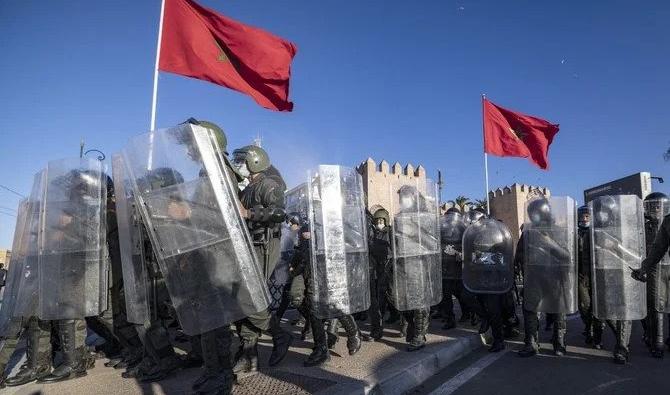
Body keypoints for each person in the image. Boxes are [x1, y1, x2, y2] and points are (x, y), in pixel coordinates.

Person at [231, 145, 293, 373]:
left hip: (265, 245)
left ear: (255, 162)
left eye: (243, 161)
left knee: (248, 297)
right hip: (250, 245)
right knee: (244, 299)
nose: (240, 165)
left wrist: (248, 213)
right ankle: (249, 354)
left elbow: (279, 213)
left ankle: (280, 335)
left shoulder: (268, 185)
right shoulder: (249, 188)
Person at [518, 197, 575, 358]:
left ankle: (559, 343)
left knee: (558, 311)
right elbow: (519, 254)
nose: (533, 217)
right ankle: (531, 343)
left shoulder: (558, 231)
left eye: (536, 213)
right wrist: (524, 259)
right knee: (530, 309)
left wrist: (549, 245)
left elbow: (567, 256)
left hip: (555, 277)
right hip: (534, 277)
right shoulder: (528, 233)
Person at [632, 192, 670, 358]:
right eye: (652, 205)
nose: (655, 208)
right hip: (655, 268)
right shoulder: (642, 225)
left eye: (657, 205)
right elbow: (657, 249)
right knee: (656, 304)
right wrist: (643, 268)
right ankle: (657, 341)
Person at [576, 205, 604, 349]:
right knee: (584, 306)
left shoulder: (598, 233)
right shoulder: (575, 234)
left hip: (597, 275)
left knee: (598, 307)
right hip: (581, 276)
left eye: (587, 216)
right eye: (582, 216)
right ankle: (589, 328)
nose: (584, 218)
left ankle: (597, 336)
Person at [368, 208, 392, 340]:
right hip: (376, 270)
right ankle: (377, 329)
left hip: (389, 267)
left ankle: (406, 324)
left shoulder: (391, 232)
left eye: (382, 220)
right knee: (378, 301)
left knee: (393, 297)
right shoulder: (372, 233)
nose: (379, 223)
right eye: (377, 220)